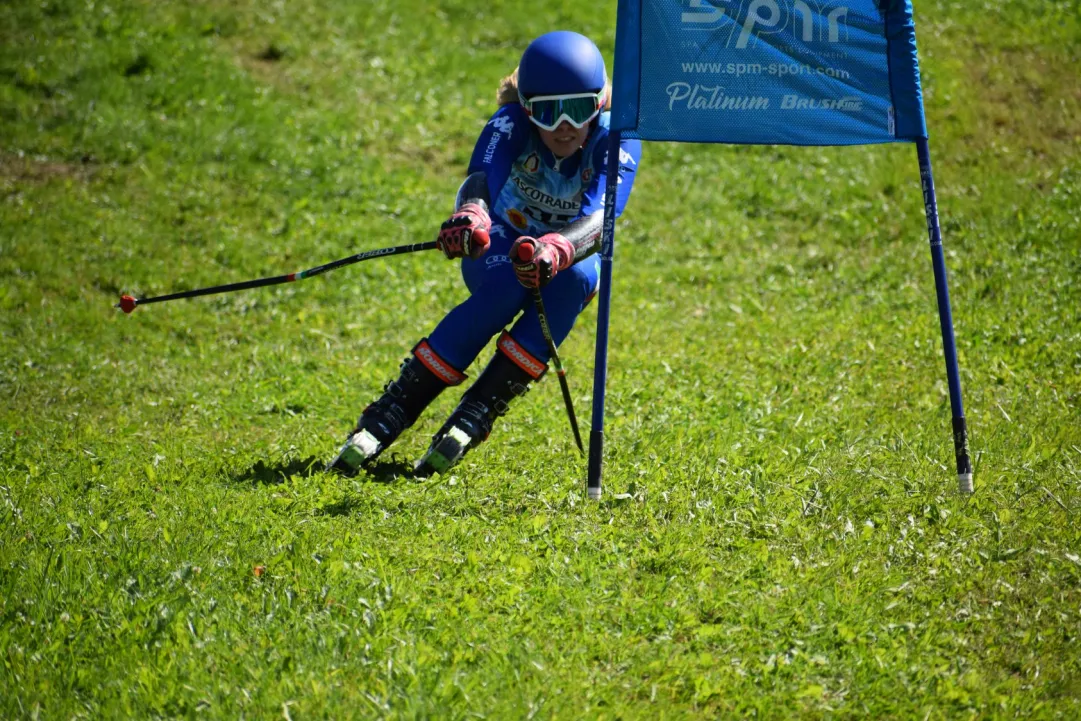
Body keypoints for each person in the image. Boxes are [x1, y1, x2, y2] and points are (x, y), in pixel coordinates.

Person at [328, 30, 641, 477]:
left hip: (567, 250)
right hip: (501, 239)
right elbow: (481, 180)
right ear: (527, 107)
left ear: (599, 102)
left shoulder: (618, 136)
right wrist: (470, 217)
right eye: (548, 113)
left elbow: (604, 216)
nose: (564, 127)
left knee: (575, 281)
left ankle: (475, 414)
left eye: (578, 109)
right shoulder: (511, 122)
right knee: (507, 287)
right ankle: (388, 414)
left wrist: (558, 247)